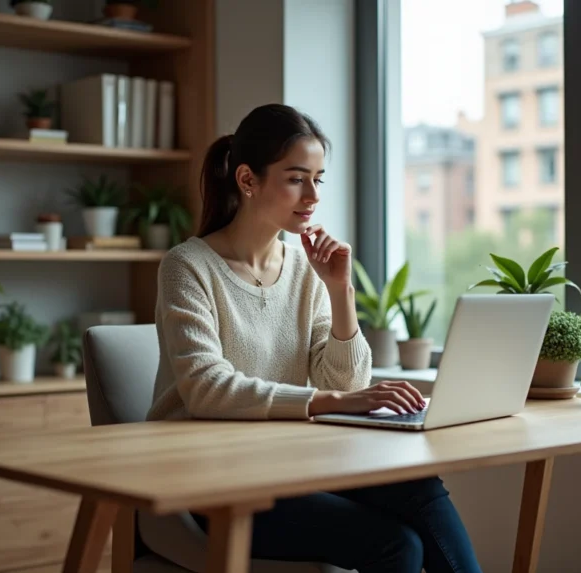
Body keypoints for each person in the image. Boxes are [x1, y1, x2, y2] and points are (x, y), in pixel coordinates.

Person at [146, 103, 482, 573]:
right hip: (206, 479)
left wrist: (339, 289)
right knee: (396, 545)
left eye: (318, 179)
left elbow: (344, 381)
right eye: (296, 178)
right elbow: (207, 389)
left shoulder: (305, 268)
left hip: (288, 463)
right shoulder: (188, 267)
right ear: (248, 180)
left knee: (419, 487)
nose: (312, 195)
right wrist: (331, 401)